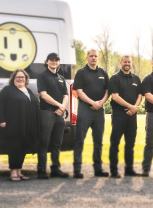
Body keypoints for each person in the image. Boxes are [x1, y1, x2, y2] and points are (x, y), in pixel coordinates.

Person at [0, 70, 42, 182]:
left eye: (22, 77)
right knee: (14, 148)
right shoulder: (8, 90)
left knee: (23, 148)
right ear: (13, 78)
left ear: (26, 79)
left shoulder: (28, 90)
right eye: (18, 77)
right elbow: (0, 104)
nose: (20, 79)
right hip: (14, 125)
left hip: (27, 126)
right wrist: (2, 119)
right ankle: (13, 172)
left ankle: (19, 171)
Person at [73, 49, 110, 178]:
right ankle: (77, 170)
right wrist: (92, 103)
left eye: (95, 56)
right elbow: (79, 91)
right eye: (91, 56)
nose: (93, 58)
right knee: (80, 140)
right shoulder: (81, 73)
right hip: (85, 109)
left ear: (98, 58)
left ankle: (98, 169)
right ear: (86, 58)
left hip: (99, 110)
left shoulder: (103, 73)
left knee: (98, 141)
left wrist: (100, 103)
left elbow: (107, 91)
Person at [108, 55, 144, 178]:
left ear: (131, 64)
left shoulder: (136, 78)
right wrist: (131, 107)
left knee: (130, 143)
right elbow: (115, 96)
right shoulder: (115, 78)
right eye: (125, 62)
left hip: (132, 115)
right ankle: (114, 170)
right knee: (115, 143)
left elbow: (140, 95)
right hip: (119, 114)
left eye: (129, 62)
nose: (127, 64)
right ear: (121, 63)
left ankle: (129, 169)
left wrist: (135, 108)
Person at [35, 52, 70, 179]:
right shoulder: (42, 76)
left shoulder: (61, 78)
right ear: (47, 62)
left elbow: (65, 95)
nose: (54, 62)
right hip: (47, 113)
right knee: (44, 142)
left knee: (57, 143)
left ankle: (55, 169)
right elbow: (43, 95)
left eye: (56, 60)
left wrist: (63, 107)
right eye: (52, 60)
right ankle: (41, 170)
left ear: (59, 62)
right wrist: (59, 106)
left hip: (59, 115)